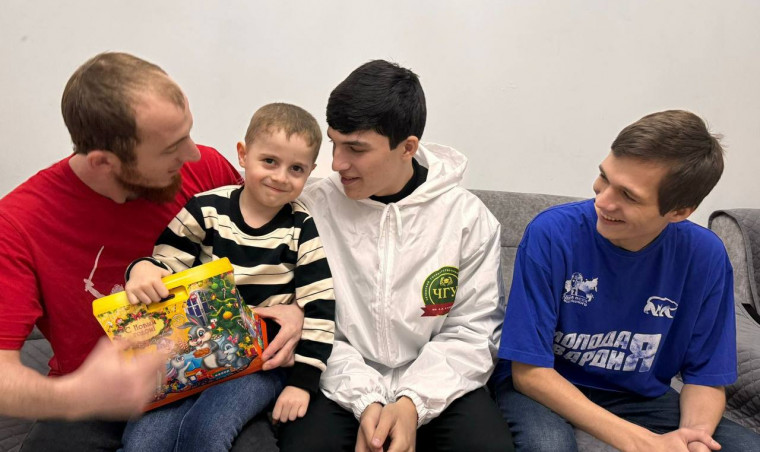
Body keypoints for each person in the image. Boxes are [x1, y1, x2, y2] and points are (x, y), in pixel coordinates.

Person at [0, 52, 302, 451]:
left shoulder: (207, 171)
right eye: (172, 148)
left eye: (188, 133)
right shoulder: (17, 224)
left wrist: (294, 310)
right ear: (104, 163)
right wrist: (76, 394)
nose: (193, 154)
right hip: (94, 400)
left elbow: (283, 248)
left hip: (214, 375)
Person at [278, 60, 514, 452]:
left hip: (440, 382)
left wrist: (411, 404)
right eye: (334, 143)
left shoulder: (468, 219)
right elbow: (310, 321)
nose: (336, 163)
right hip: (336, 375)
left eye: (356, 149)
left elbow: (473, 332)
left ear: (407, 148)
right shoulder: (311, 208)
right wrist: (365, 399)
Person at [492, 110, 760, 451]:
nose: (602, 201)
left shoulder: (705, 256)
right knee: (548, 445)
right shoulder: (552, 233)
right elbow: (528, 372)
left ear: (679, 212)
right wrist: (642, 442)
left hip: (637, 395)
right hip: (547, 383)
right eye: (604, 177)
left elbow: (706, 377)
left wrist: (693, 437)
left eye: (628, 196)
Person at [121, 102, 335, 452]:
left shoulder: (302, 229)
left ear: (310, 172)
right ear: (243, 155)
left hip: (260, 360)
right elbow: (165, 265)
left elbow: (321, 307)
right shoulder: (205, 209)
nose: (281, 177)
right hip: (191, 350)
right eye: (270, 161)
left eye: (296, 169)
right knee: (143, 442)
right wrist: (142, 269)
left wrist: (303, 383)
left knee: (207, 431)